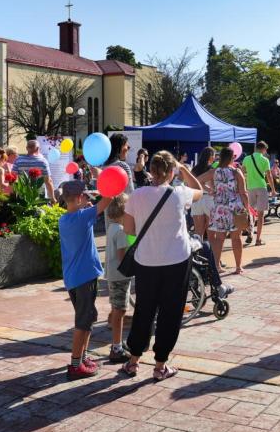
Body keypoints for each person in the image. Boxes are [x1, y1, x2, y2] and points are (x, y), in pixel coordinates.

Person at [120, 152, 202, 380]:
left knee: (144, 310)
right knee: (171, 312)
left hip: (146, 260)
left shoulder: (137, 195)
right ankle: (160, 365)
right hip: (177, 259)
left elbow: (129, 229)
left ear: (152, 170)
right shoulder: (179, 193)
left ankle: (133, 360)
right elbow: (200, 191)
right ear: (171, 171)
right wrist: (184, 169)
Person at [57, 180, 114, 380]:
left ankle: (83, 357)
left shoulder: (64, 219)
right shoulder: (83, 217)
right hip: (85, 277)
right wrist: (108, 185)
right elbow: (107, 200)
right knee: (83, 322)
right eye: (85, 196)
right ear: (80, 197)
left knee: (88, 318)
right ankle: (75, 365)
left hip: (73, 278)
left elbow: (86, 212)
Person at [200, 147, 251, 273]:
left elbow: (198, 180)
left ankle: (217, 266)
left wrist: (210, 190)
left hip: (219, 207)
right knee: (236, 237)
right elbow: (243, 192)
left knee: (219, 238)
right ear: (232, 157)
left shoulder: (214, 171)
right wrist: (248, 208)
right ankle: (238, 267)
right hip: (235, 207)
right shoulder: (236, 172)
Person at [103, 194, 132, 364]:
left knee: (116, 308)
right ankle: (116, 347)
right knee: (120, 311)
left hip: (112, 275)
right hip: (121, 275)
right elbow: (123, 256)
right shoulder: (121, 231)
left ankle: (117, 344)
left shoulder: (112, 228)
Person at [243, 142, 276, 245]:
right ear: (263, 149)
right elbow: (269, 176)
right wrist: (273, 189)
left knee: (250, 212)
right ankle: (258, 239)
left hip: (250, 187)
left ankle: (250, 232)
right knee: (261, 215)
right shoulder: (265, 160)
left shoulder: (246, 159)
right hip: (261, 187)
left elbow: (242, 173)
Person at [13, 140, 56, 204]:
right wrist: (52, 198)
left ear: (26, 148)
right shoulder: (43, 162)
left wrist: (13, 195)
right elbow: (48, 181)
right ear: (38, 148)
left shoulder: (18, 160)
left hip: (22, 194)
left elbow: (13, 178)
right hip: (39, 195)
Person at [189, 148, 216, 239]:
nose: (215, 157)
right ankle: (211, 251)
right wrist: (208, 189)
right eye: (214, 155)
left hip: (196, 199)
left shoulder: (195, 169)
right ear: (210, 156)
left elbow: (190, 184)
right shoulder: (211, 169)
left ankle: (198, 251)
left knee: (198, 231)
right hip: (208, 199)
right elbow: (213, 186)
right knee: (211, 231)